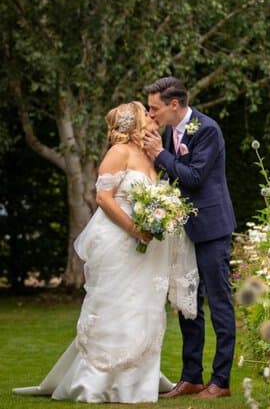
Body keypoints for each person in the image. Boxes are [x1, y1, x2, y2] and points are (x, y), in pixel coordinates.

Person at [12, 101, 198, 403]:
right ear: (136, 123)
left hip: (148, 248)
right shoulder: (118, 153)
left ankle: (139, 379)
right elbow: (103, 197)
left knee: (144, 307)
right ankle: (97, 381)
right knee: (116, 305)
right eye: (147, 115)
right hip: (120, 242)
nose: (153, 118)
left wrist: (161, 217)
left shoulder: (151, 154)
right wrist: (135, 229)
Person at [142, 77, 237, 400]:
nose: (150, 114)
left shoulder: (206, 129)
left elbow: (195, 177)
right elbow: (173, 177)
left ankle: (221, 381)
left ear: (174, 104)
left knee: (219, 303)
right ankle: (191, 377)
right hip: (184, 229)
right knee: (188, 304)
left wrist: (159, 154)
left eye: (154, 108)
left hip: (211, 229)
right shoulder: (170, 132)